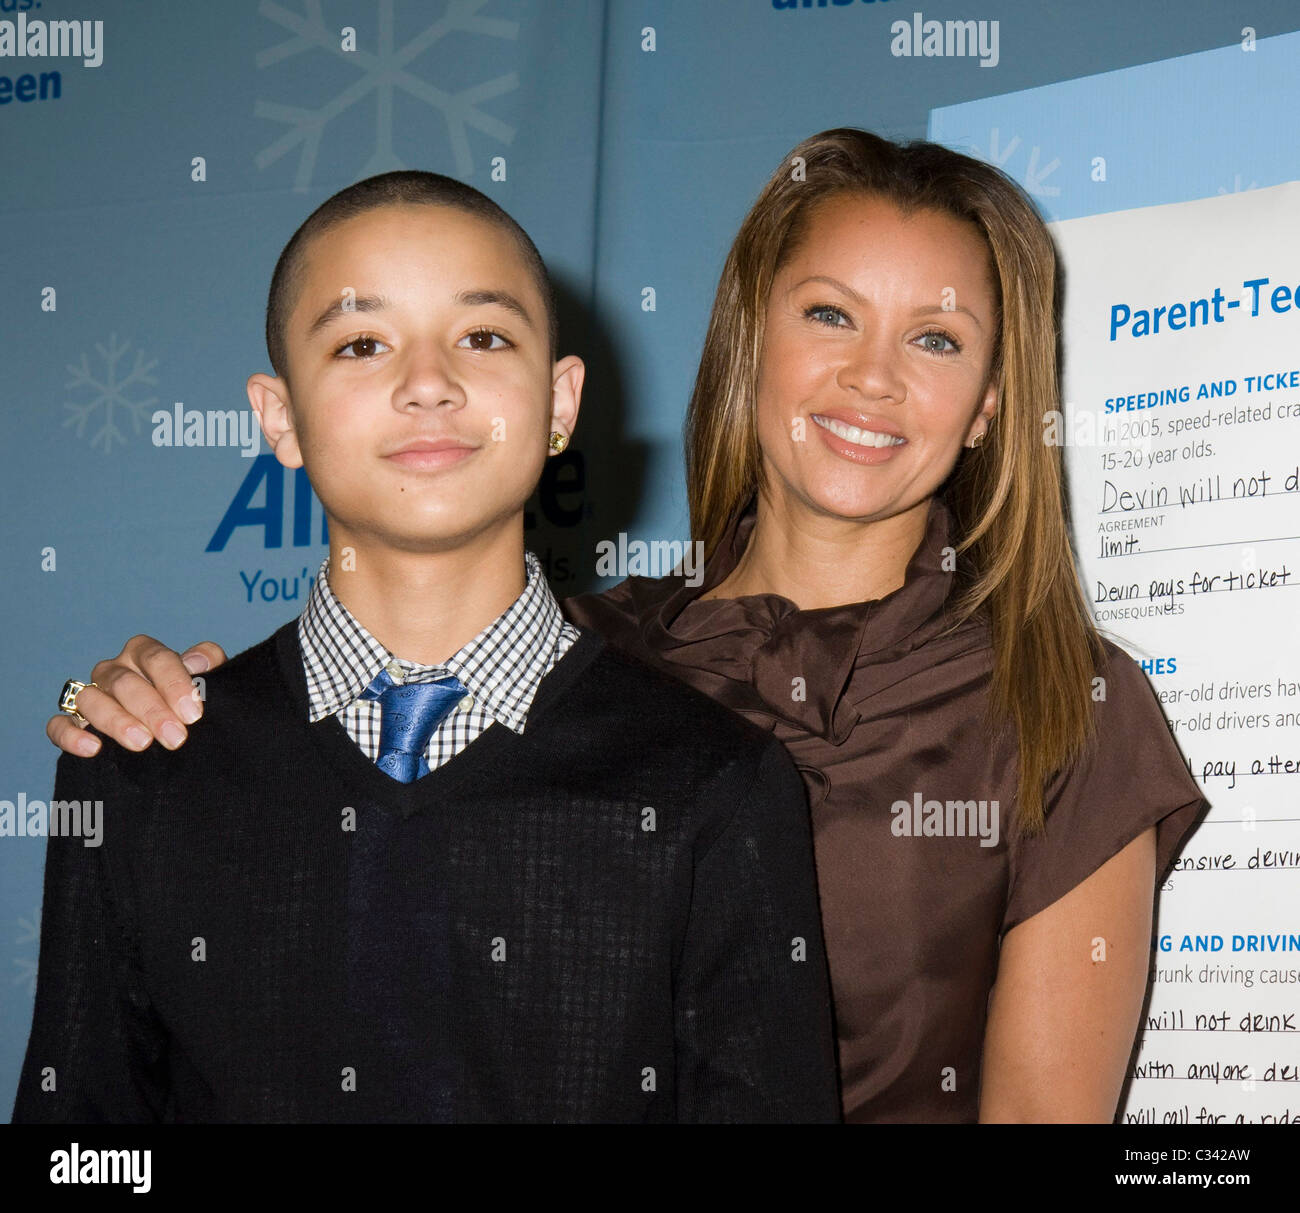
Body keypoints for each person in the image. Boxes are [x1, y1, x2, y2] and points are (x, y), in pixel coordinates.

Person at [45, 130, 1207, 1123]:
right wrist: (158, 704)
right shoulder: (573, 660)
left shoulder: (1064, 701)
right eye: (830, 315)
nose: (874, 380)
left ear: (993, 397)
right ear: (755, 337)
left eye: (937, 339)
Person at [16, 171, 840, 1124]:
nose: (427, 385)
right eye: (362, 343)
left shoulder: (717, 785)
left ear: (561, 400)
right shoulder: (141, 768)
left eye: (483, 336)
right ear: (279, 417)